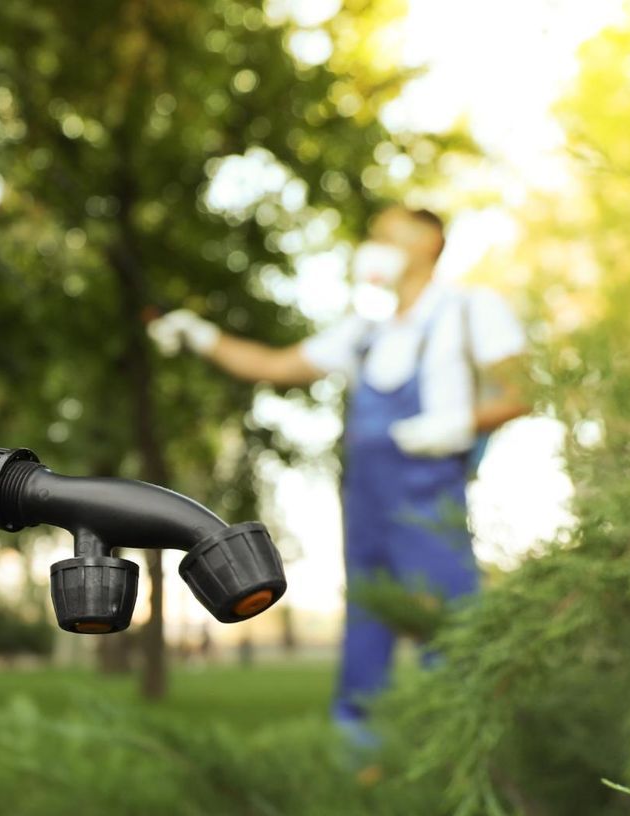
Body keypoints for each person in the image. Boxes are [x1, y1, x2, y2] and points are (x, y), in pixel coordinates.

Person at [150, 205, 530, 746]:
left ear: (427, 241)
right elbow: (275, 366)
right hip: (366, 508)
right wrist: (198, 334)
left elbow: (520, 393)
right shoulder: (364, 333)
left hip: (431, 503)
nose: (373, 242)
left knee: (452, 641)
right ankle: (360, 767)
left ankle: (468, 763)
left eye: (384, 232)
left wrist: (454, 424)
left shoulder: (469, 310)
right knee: (366, 635)